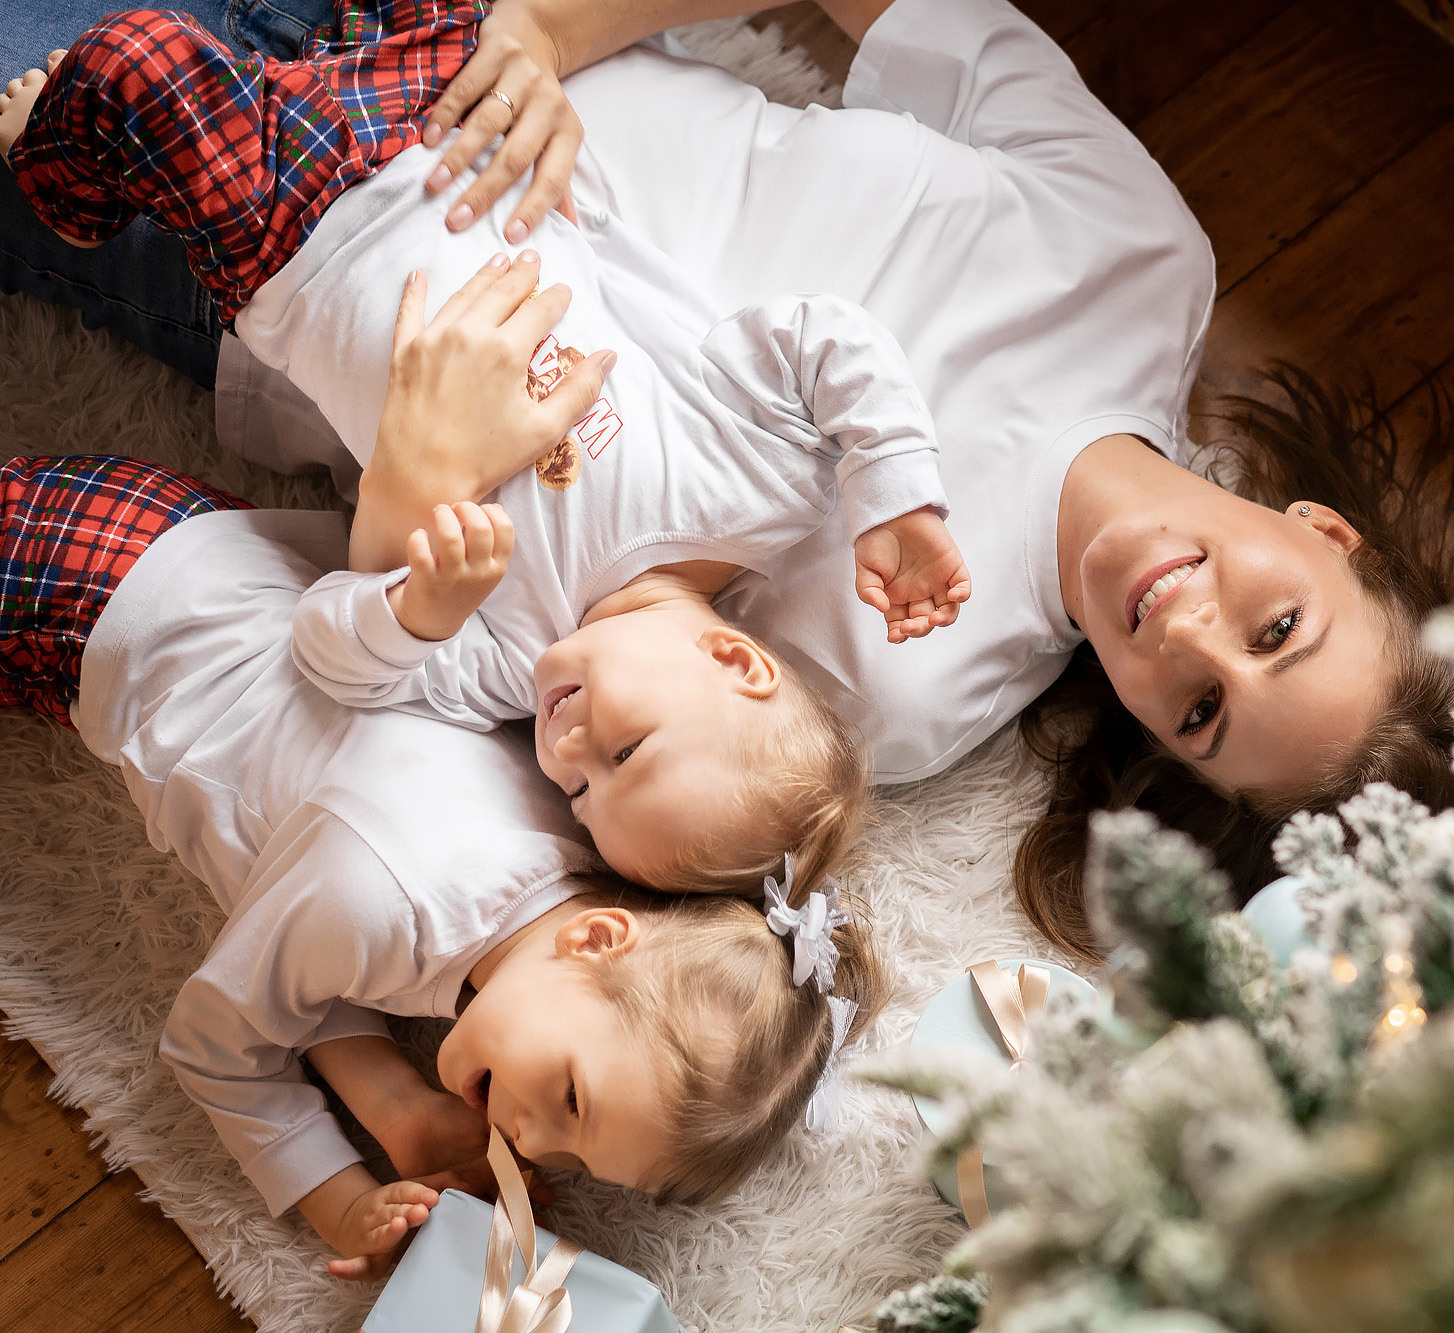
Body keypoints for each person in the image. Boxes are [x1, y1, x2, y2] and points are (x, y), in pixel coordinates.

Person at [4, 0, 1454, 957]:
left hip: (284, 267)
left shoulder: (909, 689)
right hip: (445, 32)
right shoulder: (1138, 256)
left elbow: (537, 639)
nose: (1187, 640)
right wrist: (544, 34)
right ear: (1325, 532)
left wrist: (413, 475)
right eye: (1276, 631)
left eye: (1196, 715)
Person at [1, 0, 973, 892]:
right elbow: (821, 339)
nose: (568, 754)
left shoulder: (510, 655)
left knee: (139, 66)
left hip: (295, 242)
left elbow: (330, 656)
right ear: (735, 660)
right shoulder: (765, 490)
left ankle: (62, 169)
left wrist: (412, 611)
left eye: (580, 795)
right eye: (624, 753)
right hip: (453, 124)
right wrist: (893, 491)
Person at [0, 450, 883, 1279]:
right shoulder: (385, 901)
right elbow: (214, 1043)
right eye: (570, 1101)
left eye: (572, 1158)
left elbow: (307, 963)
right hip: (93, 600)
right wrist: (338, 1200)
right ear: (600, 939)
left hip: (208, 561)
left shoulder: (576, 848)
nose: (532, 1141)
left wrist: (400, 1109)